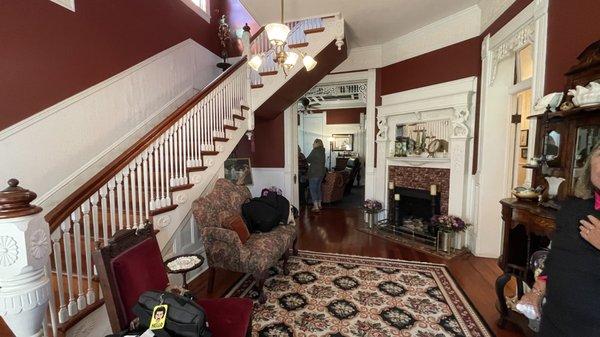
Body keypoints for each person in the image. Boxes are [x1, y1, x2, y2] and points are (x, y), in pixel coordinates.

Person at [522, 142, 600, 336]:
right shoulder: (573, 207)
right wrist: (536, 293)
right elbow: (556, 256)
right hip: (556, 316)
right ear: (591, 163)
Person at [306, 139, 326, 212]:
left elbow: (308, 160)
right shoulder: (323, 151)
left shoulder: (315, 150)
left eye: (313, 143)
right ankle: (319, 204)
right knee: (318, 188)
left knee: (313, 189)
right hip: (321, 173)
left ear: (317, 143)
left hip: (314, 173)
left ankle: (316, 207)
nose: (312, 144)